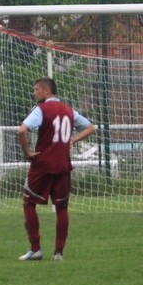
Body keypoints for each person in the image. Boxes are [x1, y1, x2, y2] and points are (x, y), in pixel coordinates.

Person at [17, 77, 96, 260]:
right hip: (63, 165)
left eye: (36, 89)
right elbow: (90, 128)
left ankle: (35, 248)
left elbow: (22, 130)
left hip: (42, 165)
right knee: (62, 208)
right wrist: (73, 140)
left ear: (46, 91)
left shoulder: (41, 109)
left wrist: (27, 151)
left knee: (29, 203)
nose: (34, 92)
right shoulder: (68, 110)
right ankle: (59, 253)